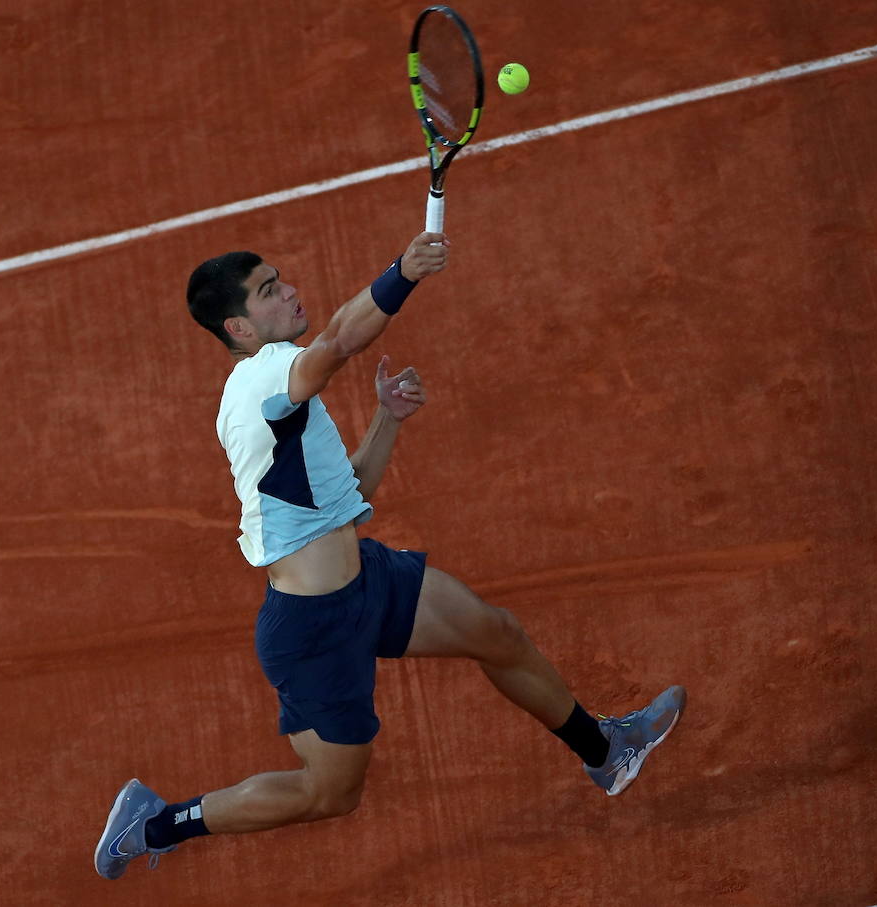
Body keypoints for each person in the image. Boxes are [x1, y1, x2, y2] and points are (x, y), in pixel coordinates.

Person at [95, 231, 685, 880]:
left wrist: (388, 419)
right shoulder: (265, 375)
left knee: (497, 632)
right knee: (330, 794)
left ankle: (605, 750)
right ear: (238, 325)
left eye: (280, 278)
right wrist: (402, 273)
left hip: (364, 582)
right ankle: (153, 823)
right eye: (269, 291)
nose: (289, 290)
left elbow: (351, 493)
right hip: (315, 628)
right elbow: (342, 339)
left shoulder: (277, 388)